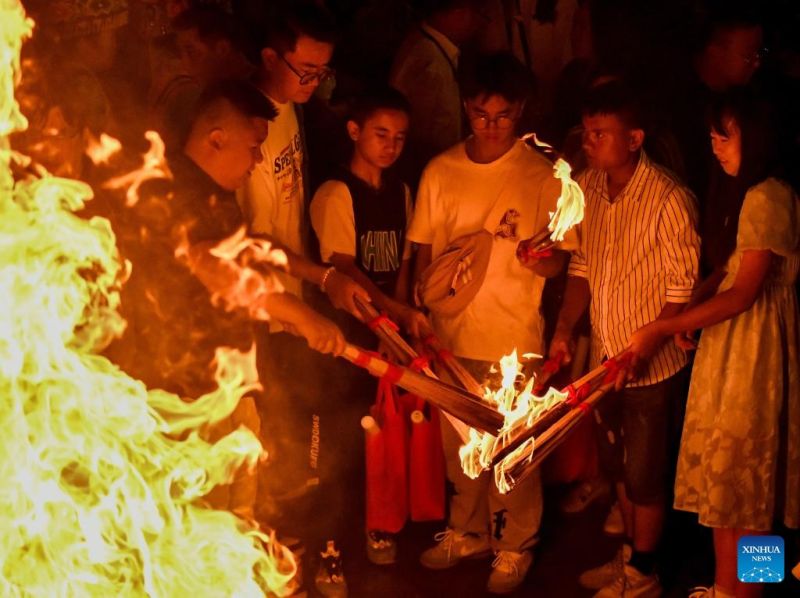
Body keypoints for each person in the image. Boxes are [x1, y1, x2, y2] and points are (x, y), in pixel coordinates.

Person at [104, 80, 347, 528]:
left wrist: (320, 277)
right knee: (203, 523)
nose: (258, 160)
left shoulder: (213, 193)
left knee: (238, 515)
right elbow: (209, 263)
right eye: (254, 147)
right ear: (216, 138)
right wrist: (298, 313)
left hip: (226, 386)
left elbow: (247, 248)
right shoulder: (173, 188)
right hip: (187, 395)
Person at [408, 52, 574, 595]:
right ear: (465, 107)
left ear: (520, 110)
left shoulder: (544, 176)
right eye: (481, 114)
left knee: (513, 451)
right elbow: (427, 258)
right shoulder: (441, 171)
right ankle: (467, 530)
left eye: (503, 115)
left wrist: (537, 260)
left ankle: (514, 545)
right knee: (460, 450)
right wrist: (419, 316)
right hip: (453, 339)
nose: (492, 125)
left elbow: (560, 262)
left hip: (515, 338)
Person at [628, 90, 799, 598]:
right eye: (712, 135)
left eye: (725, 135)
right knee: (728, 485)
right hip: (732, 354)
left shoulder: (770, 195)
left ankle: (751, 592)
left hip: (755, 357)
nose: (715, 145)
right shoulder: (745, 194)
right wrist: (688, 312)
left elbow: (745, 293)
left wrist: (660, 327)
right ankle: (730, 588)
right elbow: (726, 273)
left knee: (751, 488)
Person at [550, 79, 700, 597]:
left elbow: (680, 294)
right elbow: (583, 267)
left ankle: (644, 573)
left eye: (599, 133)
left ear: (634, 138)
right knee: (616, 465)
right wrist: (566, 329)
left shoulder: (669, 199)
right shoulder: (589, 188)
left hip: (650, 371)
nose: (588, 143)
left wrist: (645, 350)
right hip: (606, 361)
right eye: (585, 133)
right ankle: (630, 558)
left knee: (646, 474)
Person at [238, 4, 369, 595]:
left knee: (326, 433)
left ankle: (325, 550)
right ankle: (289, 562)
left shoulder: (293, 109)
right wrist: (319, 280)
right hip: (268, 318)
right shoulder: (244, 126)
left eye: (323, 72)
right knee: (288, 445)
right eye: (306, 70)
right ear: (271, 57)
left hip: (302, 303)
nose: (315, 83)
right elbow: (253, 241)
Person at [310, 86, 431, 568]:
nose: (391, 146)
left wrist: (400, 315)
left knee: (378, 439)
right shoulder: (336, 192)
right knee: (334, 447)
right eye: (381, 134)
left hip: (386, 338)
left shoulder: (400, 192)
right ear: (355, 131)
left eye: (400, 137)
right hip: (342, 340)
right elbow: (344, 269)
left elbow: (400, 264)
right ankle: (328, 546)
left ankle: (376, 526)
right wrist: (389, 316)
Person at [389, 0, 488, 187]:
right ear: (458, 13)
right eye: (476, 14)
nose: (478, 24)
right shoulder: (429, 62)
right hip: (428, 177)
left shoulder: (428, 47)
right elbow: (421, 135)